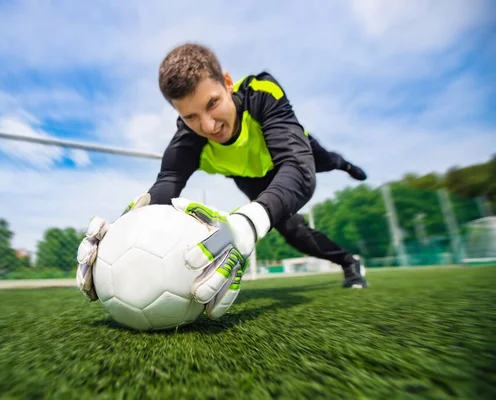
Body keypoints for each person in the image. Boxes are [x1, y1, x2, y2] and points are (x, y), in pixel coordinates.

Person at [77, 43, 367, 320]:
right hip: (251, 176)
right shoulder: (188, 139)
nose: (208, 126)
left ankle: (346, 164)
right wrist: (120, 234)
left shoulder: (262, 93)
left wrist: (248, 223)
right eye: (190, 116)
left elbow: (299, 170)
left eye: (212, 103)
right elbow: (167, 183)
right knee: (293, 231)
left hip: (294, 154)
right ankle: (348, 261)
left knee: (327, 161)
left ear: (227, 82)